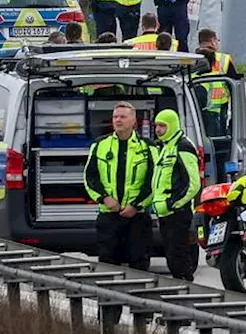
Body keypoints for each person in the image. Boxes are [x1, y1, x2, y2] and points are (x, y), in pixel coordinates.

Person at [83, 102, 155, 270]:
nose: (118, 120)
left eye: (123, 117)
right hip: (109, 216)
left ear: (133, 120)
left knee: (139, 265)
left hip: (137, 216)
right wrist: (104, 198)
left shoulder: (148, 147)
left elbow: (154, 181)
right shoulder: (100, 145)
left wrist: (136, 205)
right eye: (115, 117)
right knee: (107, 266)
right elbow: (90, 176)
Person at [150, 109, 201, 281]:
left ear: (172, 125)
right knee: (172, 257)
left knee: (179, 258)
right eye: (156, 125)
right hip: (165, 213)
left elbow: (193, 183)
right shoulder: (165, 146)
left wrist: (173, 203)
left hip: (177, 212)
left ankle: (186, 294)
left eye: (162, 126)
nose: (158, 130)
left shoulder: (182, 146)